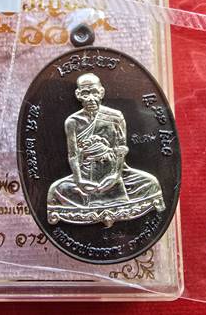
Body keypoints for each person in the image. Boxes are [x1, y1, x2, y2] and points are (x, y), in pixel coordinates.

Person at [47, 73, 165, 227]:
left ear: (101, 92)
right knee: (56, 191)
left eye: (94, 92)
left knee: (151, 183)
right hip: (86, 175)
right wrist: (79, 180)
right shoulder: (73, 122)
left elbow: (121, 150)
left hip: (116, 172)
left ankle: (103, 203)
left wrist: (115, 175)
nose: (91, 98)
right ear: (78, 95)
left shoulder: (115, 117)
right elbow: (73, 154)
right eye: (85, 93)